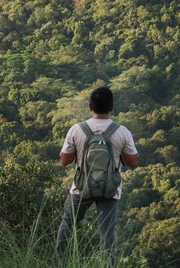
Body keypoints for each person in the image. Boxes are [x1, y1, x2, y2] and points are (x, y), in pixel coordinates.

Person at [55, 86, 139, 256]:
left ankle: (58, 266)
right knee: (107, 232)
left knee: (68, 224)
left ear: (90, 106)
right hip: (110, 189)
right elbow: (132, 162)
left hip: (81, 187)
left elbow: (65, 161)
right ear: (112, 107)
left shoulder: (76, 130)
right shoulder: (122, 132)